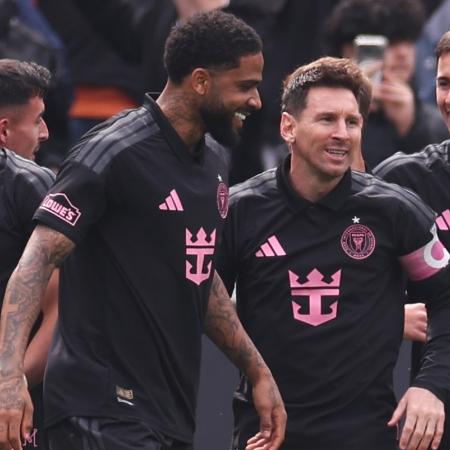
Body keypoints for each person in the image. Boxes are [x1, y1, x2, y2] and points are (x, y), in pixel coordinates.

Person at [0, 11, 286, 450]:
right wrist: (8, 378)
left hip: (169, 411)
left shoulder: (214, 160)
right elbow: (36, 260)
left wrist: (257, 371)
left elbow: (199, 273)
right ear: (201, 81)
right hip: (99, 409)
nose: (256, 101)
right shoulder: (111, 152)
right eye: (244, 86)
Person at [217, 56, 450, 450]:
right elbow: (202, 301)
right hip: (265, 434)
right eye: (327, 119)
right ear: (288, 127)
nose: (342, 133)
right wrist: (255, 373)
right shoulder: (240, 211)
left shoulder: (394, 210)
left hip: (367, 435)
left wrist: (431, 385)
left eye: (352, 122)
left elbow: (446, 297)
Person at [374, 30, 450, 450]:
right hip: (434, 409)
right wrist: (387, 314)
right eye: (444, 83)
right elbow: (344, 271)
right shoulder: (405, 180)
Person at [0, 58, 58, 450]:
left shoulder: (33, 185)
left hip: (19, 407)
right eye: (36, 121)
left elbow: (59, 310)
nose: (46, 132)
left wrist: (9, 388)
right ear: (5, 130)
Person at [323, 0, 448, 168]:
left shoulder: (437, 118)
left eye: (409, 42)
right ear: (351, 50)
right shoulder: (318, 112)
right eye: (391, 43)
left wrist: (411, 127)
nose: (403, 53)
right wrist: (351, 110)